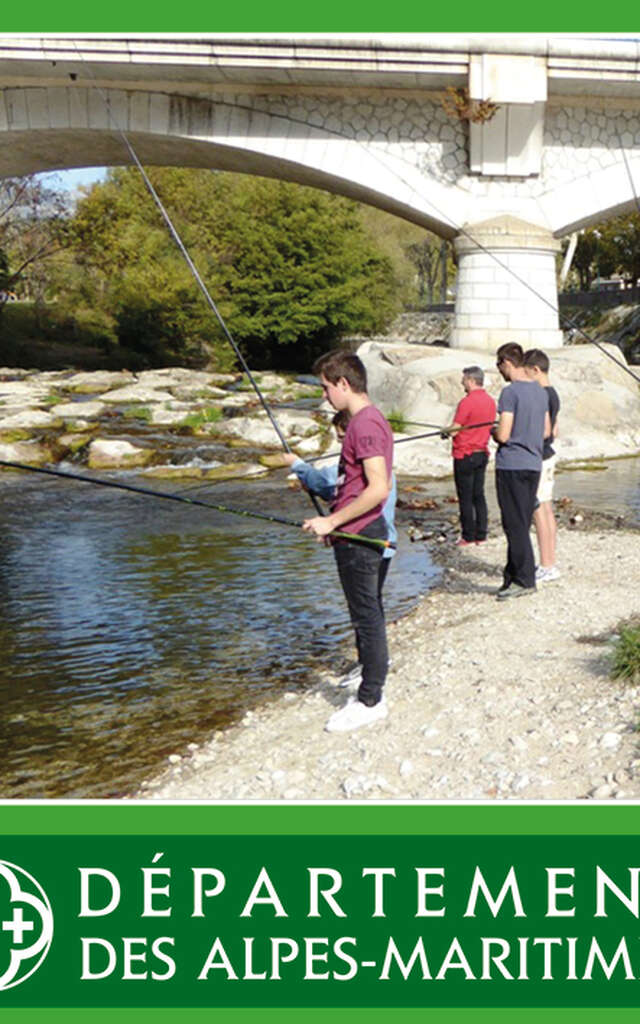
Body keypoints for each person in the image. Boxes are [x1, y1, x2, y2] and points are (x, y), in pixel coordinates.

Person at [302, 350, 393, 732]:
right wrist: (334, 528)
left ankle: (371, 699)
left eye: (326, 388)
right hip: (353, 533)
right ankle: (368, 681)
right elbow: (352, 485)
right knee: (368, 613)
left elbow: (378, 489)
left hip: (361, 535)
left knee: (367, 617)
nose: (325, 397)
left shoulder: (365, 424)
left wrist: (333, 521)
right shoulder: (364, 421)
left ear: (344, 383)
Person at [283, 409, 398, 690]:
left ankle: (370, 676)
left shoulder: (358, 466)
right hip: (385, 543)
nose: (341, 445)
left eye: (341, 438)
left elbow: (325, 482)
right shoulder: (384, 469)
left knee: (364, 610)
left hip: (366, 541)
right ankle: (375, 661)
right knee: (372, 606)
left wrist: (297, 465)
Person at [493, 342, 550, 601]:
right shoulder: (541, 392)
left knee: (514, 525)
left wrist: (493, 432)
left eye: (499, 365)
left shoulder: (510, 393)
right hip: (533, 464)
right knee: (522, 521)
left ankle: (525, 580)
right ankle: (512, 576)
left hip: (511, 465)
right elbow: (547, 431)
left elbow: (503, 434)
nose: (499, 370)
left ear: (507, 363)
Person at [443, 366, 496, 546]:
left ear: (472, 381)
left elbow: (456, 428)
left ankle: (468, 535)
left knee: (465, 496)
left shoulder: (467, 402)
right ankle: (481, 534)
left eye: (464, 379)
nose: (462, 382)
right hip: (482, 453)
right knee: (478, 494)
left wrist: (445, 432)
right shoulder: (490, 401)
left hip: (465, 454)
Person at [523, 349, 561, 584]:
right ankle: (549, 561)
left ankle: (547, 565)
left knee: (539, 510)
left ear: (536, 370)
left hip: (540, 455)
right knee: (546, 509)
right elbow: (556, 430)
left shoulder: (541, 395)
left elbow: (545, 430)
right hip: (550, 454)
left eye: (527, 373)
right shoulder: (554, 393)